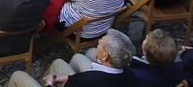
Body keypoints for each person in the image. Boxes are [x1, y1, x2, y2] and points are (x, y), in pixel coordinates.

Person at [7, 28, 135, 87]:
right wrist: (70, 79)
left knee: (17, 75)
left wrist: (50, 83)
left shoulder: (90, 79)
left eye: (100, 43)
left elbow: (85, 81)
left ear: (105, 56)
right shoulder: (129, 74)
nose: (98, 43)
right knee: (58, 63)